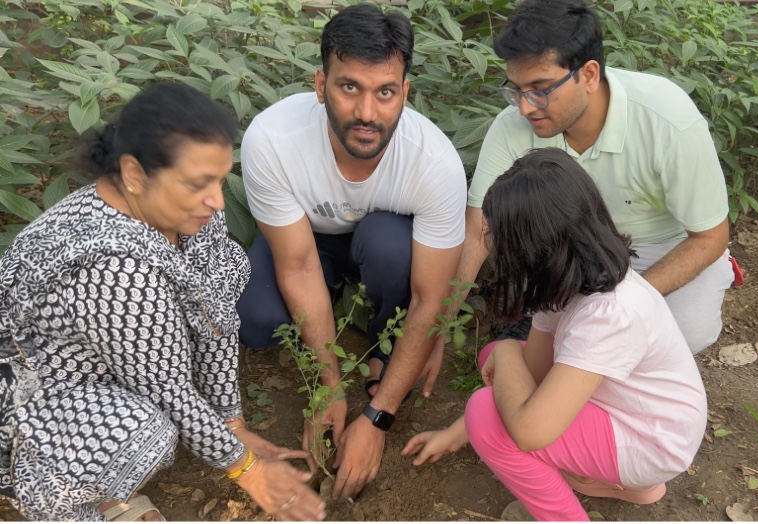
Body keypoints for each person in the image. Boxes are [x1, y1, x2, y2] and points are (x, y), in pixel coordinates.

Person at [0, 83, 325, 522]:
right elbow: (168, 391)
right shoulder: (112, 264)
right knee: (142, 429)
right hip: (28, 401)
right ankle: (61, 496)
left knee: (221, 275)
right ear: (133, 174)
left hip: (103, 366)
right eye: (197, 183)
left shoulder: (189, 212)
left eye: (219, 177)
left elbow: (215, 315)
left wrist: (232, 424)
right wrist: (248, 470)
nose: (215, 198)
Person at [237, 2, 466, 501]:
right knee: (254, 320)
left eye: (385, 92)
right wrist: (329, 387)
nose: (367, 112)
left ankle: (384, 350)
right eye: (349, 88)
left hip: (385, 241)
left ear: (405, 93)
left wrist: (378, 416)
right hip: (307, 241)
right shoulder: (273, 140)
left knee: (388, 246)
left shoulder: (436, 164)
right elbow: (295, 266)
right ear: (321, 85)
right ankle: (337, 308)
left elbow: (432, 298)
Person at [403, 148, 708, 521]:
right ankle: (630, 487)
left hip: (654, 443)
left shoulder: (611, 314)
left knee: (486, 410)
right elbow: (535, 370)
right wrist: (457, 431)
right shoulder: (568, 282)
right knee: (496, 363)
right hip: (640, 413)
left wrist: (506, 355)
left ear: (534, 250)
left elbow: (531, 431)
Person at [432, 0, 734, 360]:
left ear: (589, 75)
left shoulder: (666, 119)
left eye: (540, 88)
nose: (525, 107)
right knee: (568, 343)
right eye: (516, 89)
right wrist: (439, 329)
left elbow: (710, 237)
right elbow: (477, 231)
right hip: (567, 250)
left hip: (663, 249)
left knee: (685, 334)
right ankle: (539, 324)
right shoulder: (512, 126)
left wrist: (622, 303)